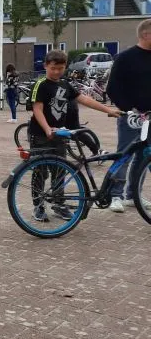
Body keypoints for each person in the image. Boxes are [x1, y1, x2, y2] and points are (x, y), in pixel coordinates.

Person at [29, 50, 120, 221]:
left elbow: (84, 99)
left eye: (61, 68)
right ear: (46, 66)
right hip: (41, 135)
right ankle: (38, 205)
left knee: (60, 171)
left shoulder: (64, 85)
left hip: (60, 135)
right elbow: (37, 109)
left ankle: (59, 204)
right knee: (40, 172)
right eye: (53, 68)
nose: (57, 71)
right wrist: (48, 129)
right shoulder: (40, 85)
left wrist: (108, 110)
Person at [106, 18, 151, 212]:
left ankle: (133, 195)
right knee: (125, 154)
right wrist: (129, 109)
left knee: (144, 156)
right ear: (146, 35)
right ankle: (115, 195)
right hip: (132, 116)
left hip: (150, 117)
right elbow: (112, 88)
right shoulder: (125, 58)